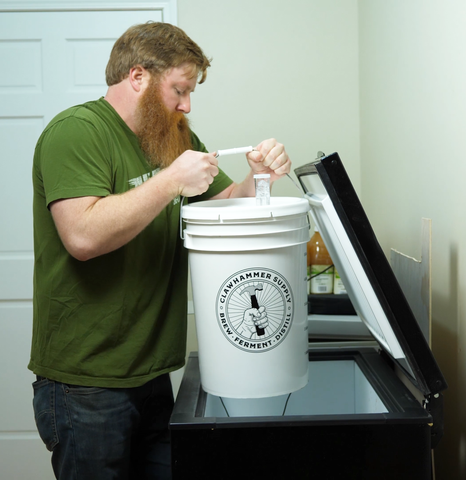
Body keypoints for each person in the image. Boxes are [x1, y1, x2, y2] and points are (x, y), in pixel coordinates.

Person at [29, 21, 291, 480]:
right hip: (87, 382)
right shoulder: (76, 132)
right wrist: (170, 180)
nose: (186, 105)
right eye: (179, 90)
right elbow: (83, 237)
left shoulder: (174, 137)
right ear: (138, 77)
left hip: (152, 372)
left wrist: (259, 178)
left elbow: (224, 205)